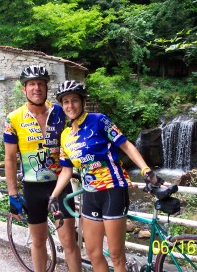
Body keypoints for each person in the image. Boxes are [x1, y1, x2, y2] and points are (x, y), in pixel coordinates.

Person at [48, 80, 158, 272]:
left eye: (74, 100)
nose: (70, 105)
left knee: (116, 256)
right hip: (90, 194)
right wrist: (54, 195)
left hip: (112, 189)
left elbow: (126, 145)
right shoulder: (65, 135)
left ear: (82, 102)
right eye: (65, 101)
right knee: (93, 252)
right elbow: (66, 170)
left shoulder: (99, 120)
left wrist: (145, 170)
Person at [3, 66, 82, 272]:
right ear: (24, 89)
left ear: (46, 87)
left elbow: (78, 134)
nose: (36, 87)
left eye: (40, 83)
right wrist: (12, 194)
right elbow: (10, 158)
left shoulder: (60, 112)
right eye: (32, 84)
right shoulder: (13, 119)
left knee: (69, 242)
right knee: (38, 242)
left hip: (61, 184)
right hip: (32, 187)